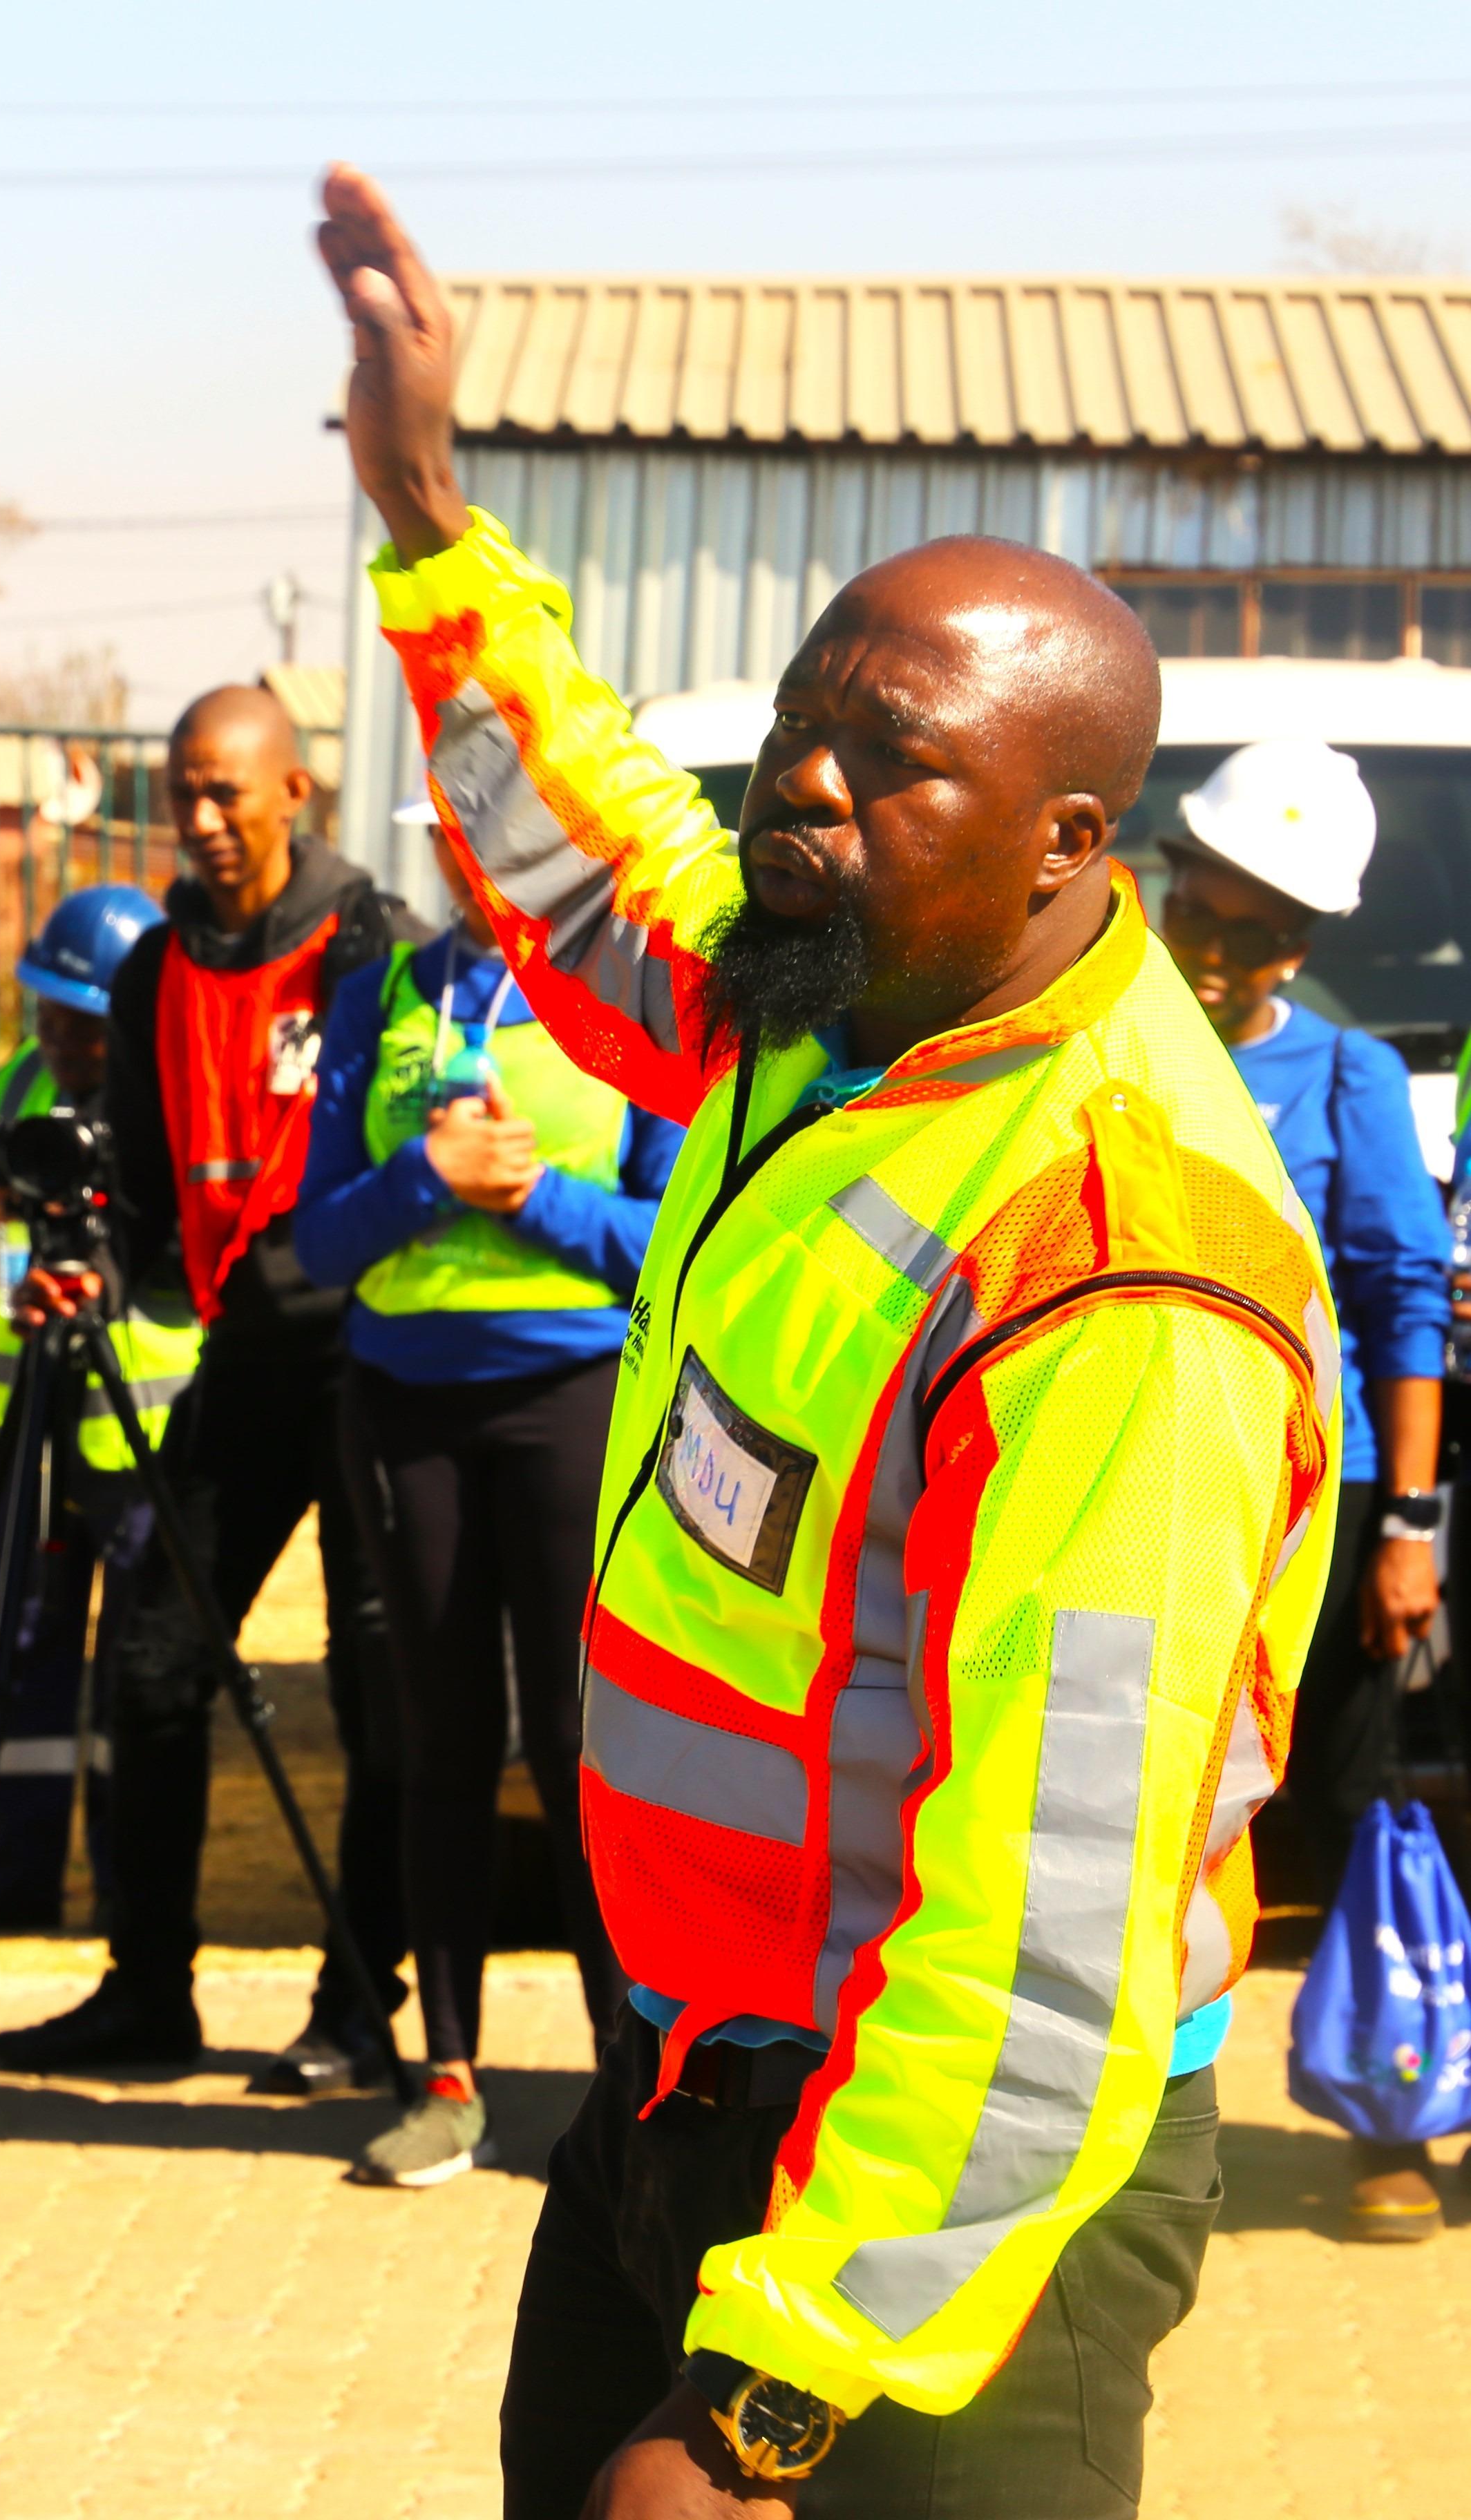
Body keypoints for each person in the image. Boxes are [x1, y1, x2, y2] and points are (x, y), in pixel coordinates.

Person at [319, 167, 1340, 2519]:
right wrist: (419, 515)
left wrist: (771, 2391)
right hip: (698, 2073)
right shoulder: (837, 1002)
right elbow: (579, 852)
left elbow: (1053, 1923)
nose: (799, 788)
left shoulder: (1117, 1267)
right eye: (798, 723)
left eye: (887, 765)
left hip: (945, 2207)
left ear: (1070, 839)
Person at [0, 685, 426, 2088]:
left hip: (372, 1361)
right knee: (154, 1661)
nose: (200, 818)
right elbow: (131, 1179)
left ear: (295, 795)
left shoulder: (374, 944)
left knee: (379, 1691)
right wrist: (88, 1263)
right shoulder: (151, 968)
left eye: (228, 792)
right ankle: (149, 1990)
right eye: (182, 791)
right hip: (242, 1359)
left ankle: (359, 2009)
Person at [296, 800, 680, 2187]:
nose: (471, 868)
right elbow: (320, 1234)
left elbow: (674, 1238)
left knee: (587, 1752)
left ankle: (631, 2087)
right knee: (436, 1747)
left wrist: (539, 1206)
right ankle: (445, 2076)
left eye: (494, 843)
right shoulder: (380, 996)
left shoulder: (628, 1001)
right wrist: (424, 1175)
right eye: (450, 842)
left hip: (571, 1407)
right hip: (405, 1415)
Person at [1153, 741, 1452, 2244]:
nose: (1221, 952)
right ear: (1166, 886)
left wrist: (1408, 1526)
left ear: (1306, 944)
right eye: (1207, 913)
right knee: (1121, 1812)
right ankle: (1126, 2123)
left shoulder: (1346, 1074)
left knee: (1324, 1814)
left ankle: (1383, 2122)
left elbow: (1405, 1300)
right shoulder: (1100, 1049)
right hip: (1118, 1514)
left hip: (1299, 1535)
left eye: (1262, 932)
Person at [0, 884, 199, 1936]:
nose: (63, 1039)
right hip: (22, 1415)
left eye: (85, 1022)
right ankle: (3, 1886)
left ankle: (128, 1902)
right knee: (6, 1655)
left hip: (143, 1425)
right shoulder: (7, 1094)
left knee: (132, 1673)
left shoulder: (174, 1090)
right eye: (48, 1013)